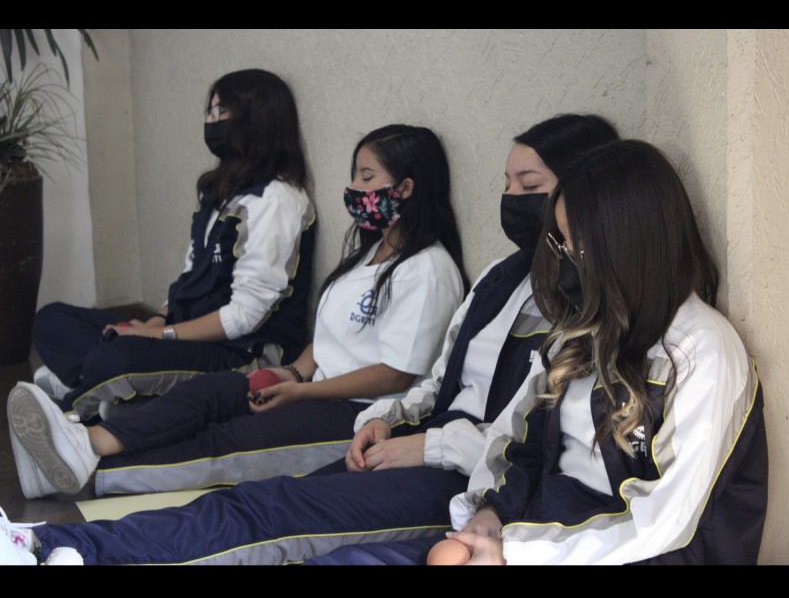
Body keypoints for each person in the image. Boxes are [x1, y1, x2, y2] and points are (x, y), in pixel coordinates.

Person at [2, 114, 620, 565]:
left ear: (583, 195)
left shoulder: (584, 306)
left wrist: (423, 442)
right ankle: (57, 526)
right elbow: (438, 381)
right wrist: (383, 420)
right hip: (412, 439)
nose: (511, 200)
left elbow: (527, 438)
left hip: (468, 482)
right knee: (259, 495)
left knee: (268, 511)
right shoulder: (502, 277)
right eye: (506, 184)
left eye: (530, 187)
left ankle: (67, 544)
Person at [312, 140, 769, 566]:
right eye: (563, 242)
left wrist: (513, 551)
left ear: (628, 242)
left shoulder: (701, 351)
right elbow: (516, 440)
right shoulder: (581, 332)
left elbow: (665, 520)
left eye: (578, 244)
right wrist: (489, 515)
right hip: (538, 530)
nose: (566, 258)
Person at [8, 124, 468, 499]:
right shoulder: (367, 255)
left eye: (367, 177)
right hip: (313, 388)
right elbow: (333, 337)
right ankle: (86, 443)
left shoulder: (429, 270)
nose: (353, 188)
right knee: (210, 394)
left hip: (360, 414)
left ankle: (89, 473)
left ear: (406, 188)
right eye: (355, 176)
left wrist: (305, 393)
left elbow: (394, 374)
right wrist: (293, 373)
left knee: (225, 443)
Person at [30, 69, 316, 421]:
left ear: (257, 120)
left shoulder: (276, 200)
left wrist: (159, 337)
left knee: (117, 356)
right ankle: (104, 389)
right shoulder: (218, 192)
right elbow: (190, 275)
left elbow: (245, 316)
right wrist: (154, 322)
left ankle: (78, 403)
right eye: (209, 111)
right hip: (185, 331)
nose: (210, 121)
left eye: (221, 112)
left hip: (241, 351)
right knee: (52, 320)